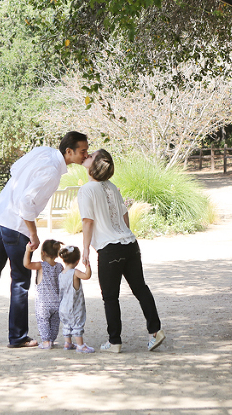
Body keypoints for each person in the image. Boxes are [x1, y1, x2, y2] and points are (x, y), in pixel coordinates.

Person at [0, 131, 90, 348]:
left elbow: (14, 169)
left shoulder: (43, 151)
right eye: (83, 151)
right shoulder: (52, 173)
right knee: (20, 280)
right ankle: (18, 337)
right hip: (15, 225)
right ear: (69, 151)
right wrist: (33, 233)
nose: (86, 155)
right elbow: (26, 205)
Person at [78, 149, 165, 353]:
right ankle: (155, 331)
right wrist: (124, 233)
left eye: (91, 156)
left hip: (109, 249)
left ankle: (114, 341)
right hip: (130, 244)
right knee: (141, 288)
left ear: (94, 165)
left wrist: (85, 249)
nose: (87, 155)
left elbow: (88, 221)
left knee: (110, 297)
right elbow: (125, 217)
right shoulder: (112, 188)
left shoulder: (87, 190)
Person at [23, 239, 64, 350]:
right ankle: (51, 339)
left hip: (43, 303)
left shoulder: (41, 266)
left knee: (43, 321)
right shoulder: (60, 267)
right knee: (55, 323)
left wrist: (28, 251)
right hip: (57, 301)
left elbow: (26, 264)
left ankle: (46, 341)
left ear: (43, 253)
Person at [58, 244, 94, 353]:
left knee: (67, 324)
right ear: (77, 261)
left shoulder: (61, 274)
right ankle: (80, 345)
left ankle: (68, 343)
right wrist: (87, 265)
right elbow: (87, 275)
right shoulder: (75, 272)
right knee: (77, 324)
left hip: (63, 306)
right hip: (74, 306)